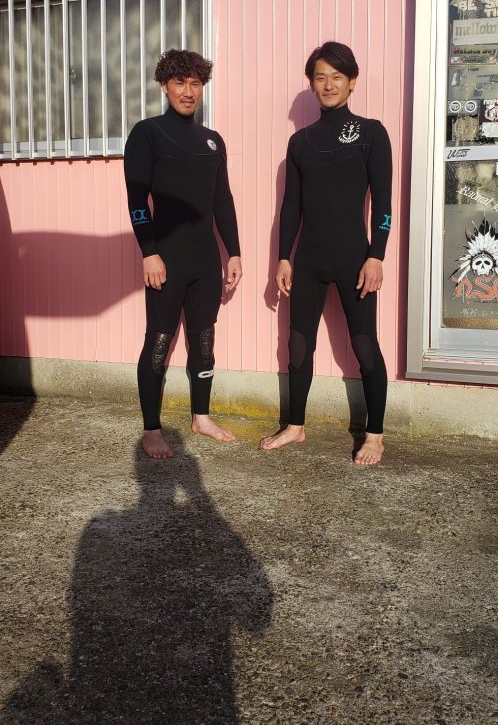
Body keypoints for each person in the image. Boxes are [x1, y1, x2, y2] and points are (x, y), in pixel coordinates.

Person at [260, 42, 392, 466]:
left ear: (352, 82)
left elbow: (384, 203)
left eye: (337, 76)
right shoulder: (300, 142)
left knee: (364, 346)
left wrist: (376, 256)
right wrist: (284, 257)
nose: (328, 84)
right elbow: (291, 206)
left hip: (355, 259)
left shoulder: (371, 133)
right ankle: (295, 426)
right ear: (312, 84)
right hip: (309, 260)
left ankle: (374, 434)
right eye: (320, 77)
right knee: (298, 345)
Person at [124, 49, 242, 459]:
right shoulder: (147, 134)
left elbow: (222, 200)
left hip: (205, 260)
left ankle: (201, 416)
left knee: (204, 340)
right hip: (167, 259)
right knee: (159, 341)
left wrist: (234, 252)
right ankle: (151, 429)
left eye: (195, 83)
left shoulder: (213, 141)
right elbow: (137, 199)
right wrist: (149, 252)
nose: (188, 91)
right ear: (164, 86)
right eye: (180, 82)